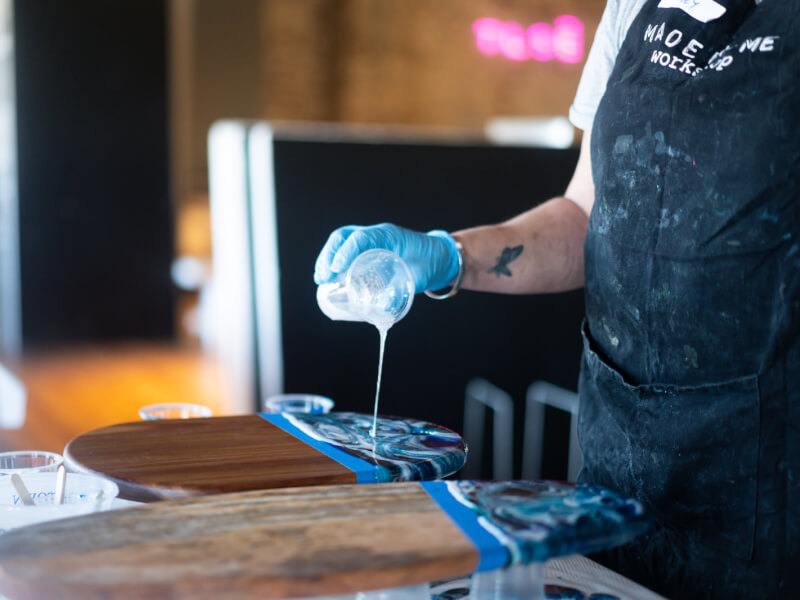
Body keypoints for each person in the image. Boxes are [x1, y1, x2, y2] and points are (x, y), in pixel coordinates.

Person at [313, 0, 798, 597]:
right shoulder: (631, 8)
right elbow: (584, 216)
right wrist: (449, 256)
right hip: (623, 446)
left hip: (766, 467)